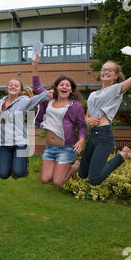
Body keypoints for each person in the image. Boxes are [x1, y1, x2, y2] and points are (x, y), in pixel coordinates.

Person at [78, 46, 131, 186]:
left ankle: (124, 154)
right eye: (104, 69)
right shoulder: (93, 94)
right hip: (93, 136)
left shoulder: (116, 89)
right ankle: (123, 154)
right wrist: (88, 120)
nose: (106, 71)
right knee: (82, 173)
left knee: (94, 180)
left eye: (110, 70)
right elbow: (86, 116)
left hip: (104, 137)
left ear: (116, 75)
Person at [32, 56, 87, 186]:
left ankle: (75, 166)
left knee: (58, 182)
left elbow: (82, 125)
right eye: (61, 84)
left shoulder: (76, 106)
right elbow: (37, 87)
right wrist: (35, 68)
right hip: (49, 148)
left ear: (71, 90)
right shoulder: (48, 100)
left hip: (66, 148)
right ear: (56, 88)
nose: (64, 87)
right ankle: (67, 167)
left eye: (67, 85)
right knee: (45, 179)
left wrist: (81, 140)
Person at [0, 78, 53, 180]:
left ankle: (24, 163)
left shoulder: (23, 101)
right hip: (4, 144)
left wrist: (48, 93)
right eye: (11, 85)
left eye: (16, 85)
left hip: (21, 143)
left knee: (19, 172)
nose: (13, 87)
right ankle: (14, 163)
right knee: (3, 175)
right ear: (7, 88)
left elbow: (37, 99)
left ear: (20, 90)